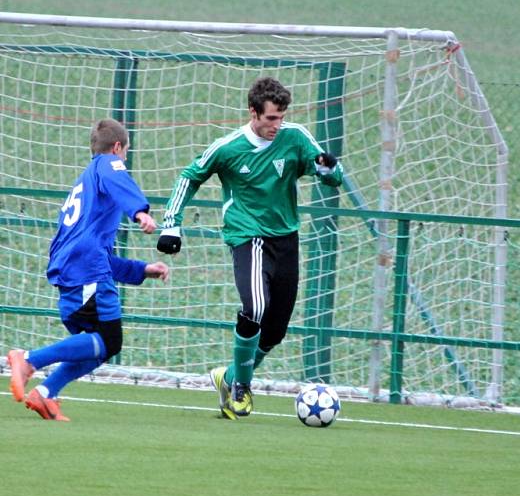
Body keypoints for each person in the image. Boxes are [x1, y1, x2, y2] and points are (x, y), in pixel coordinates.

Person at [157, 76, 343, 420]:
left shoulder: (296, 137)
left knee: (275, 330)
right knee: (256, 306)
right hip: (247, 236)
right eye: (271, 118)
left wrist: (329, 170)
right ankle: (240, 389)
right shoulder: (228, 147)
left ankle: (228, 376)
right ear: (253, 113)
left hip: (286, 238)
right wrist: (171, 225)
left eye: (282, 117)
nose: (278, 125)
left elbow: (329, 173)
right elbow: (189, 176)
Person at [7, 118, 169, 421]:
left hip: (75, 267)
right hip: (85, 270)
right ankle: (28, 360)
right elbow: (117, 177)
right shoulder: (108, 164)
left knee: (99, 346)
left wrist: (142, 269)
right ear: (118, 147)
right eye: (124, 153)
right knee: (109, 341)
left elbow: (99, 252)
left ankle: (44, 393)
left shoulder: (85, 184)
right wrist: (140, 212)